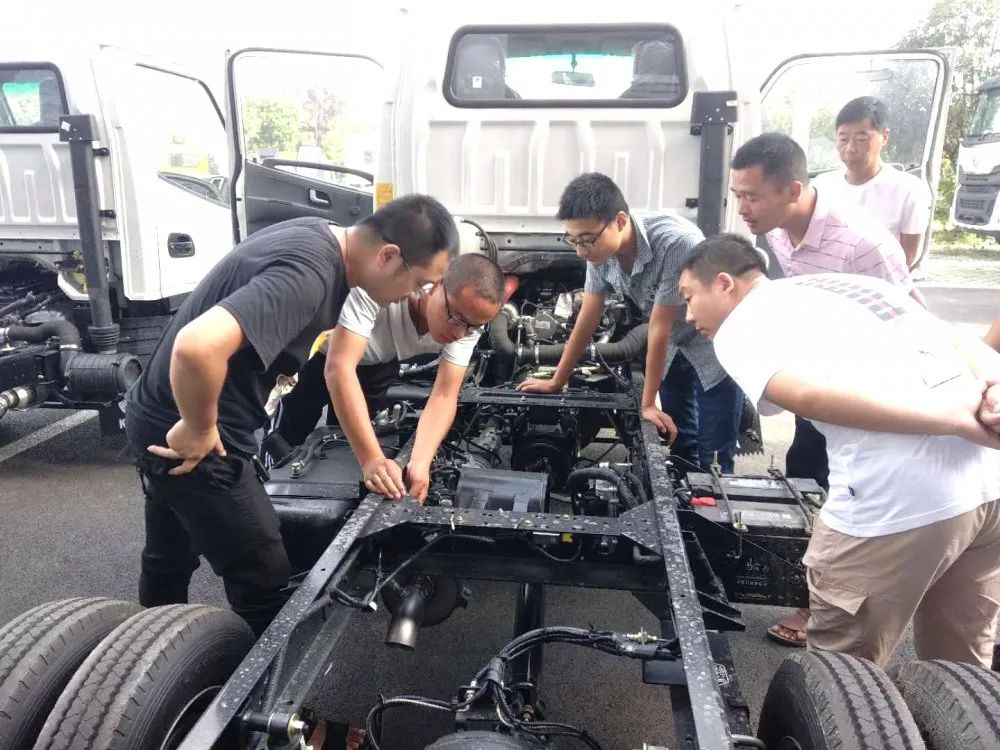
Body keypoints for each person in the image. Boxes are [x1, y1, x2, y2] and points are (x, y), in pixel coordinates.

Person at [125, 195, 458, 639]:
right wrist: (198, 425)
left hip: (155, 417)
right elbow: (197, 346)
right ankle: (234, 679)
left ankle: (149, 653)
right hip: (195, 435)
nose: (414, 295)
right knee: (264, 575)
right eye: (419, 282)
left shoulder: (315, 236)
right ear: (389, 256)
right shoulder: (311, 274)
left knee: (168, 557)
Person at [678, 233, 1000, 669]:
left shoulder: (741, 325)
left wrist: (954, 420)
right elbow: (960, 342)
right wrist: (992, 388)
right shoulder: (856, 286)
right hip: (988, 486)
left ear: (723, 284)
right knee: (961, 666)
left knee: (844, 675)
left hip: (895, 501)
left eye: (689, 297)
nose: (688, 315)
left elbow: (807, 397)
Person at [729, 133, 926, 645]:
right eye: (737, 195)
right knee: (804, 471)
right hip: (820, 376)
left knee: (848, 494)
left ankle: (826, 606)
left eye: (752, 196)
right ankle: (812, 592)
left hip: (868, 393)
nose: (742, 208)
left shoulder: (862, 243)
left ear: (793, 190)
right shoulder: (778, 233)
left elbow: (910, 319)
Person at [517, 173, 743, 473]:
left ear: (620, 221)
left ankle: (715, 496)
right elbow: (588, 317)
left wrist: (646, 404)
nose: (581, 251)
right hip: (674, 346)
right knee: (681, 438)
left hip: (713, 346)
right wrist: (557, 380)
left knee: (714, 452)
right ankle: (686, 494)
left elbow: (659, 326)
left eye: (587, 240)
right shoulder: (600, 253)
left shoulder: (676, 242)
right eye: (573, 240)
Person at [279, 253, 505, 500]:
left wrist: (420, 462)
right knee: (291, 434)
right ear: (436, 286)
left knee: (343, 445)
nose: (460, 334)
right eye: (455, 319)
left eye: (472, 327)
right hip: (319, 353)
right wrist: (372, 460)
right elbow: (339, 368)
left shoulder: (468, 320)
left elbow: (444, 394)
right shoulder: (385, 286)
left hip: (376, 361)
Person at [812, 96, 934, 267]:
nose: (850, 148)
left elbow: (906, 259)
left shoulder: (909, 190)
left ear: (884, 137)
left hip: (880, 280)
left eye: (861, 139)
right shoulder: (821, 187)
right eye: (843, 139)